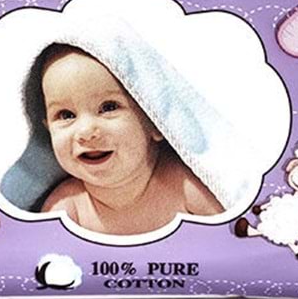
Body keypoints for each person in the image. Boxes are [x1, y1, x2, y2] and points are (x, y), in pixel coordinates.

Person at [32, 43, 222, 235]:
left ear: (156, 121)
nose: (86, 131)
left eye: (108, 107)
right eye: (66, 115)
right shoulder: (66, 210)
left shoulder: (185, 187)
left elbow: (233, 239)